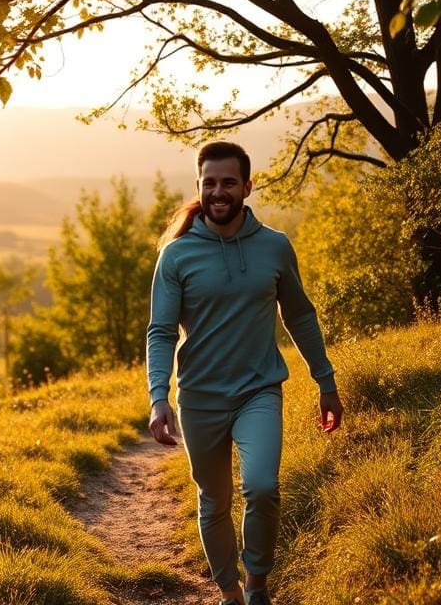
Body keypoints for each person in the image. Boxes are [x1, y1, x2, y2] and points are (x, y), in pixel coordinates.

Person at [146, 141, 343, 605]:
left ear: (247, 187)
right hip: (199, 397)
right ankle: (229, 592)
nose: (218, 191)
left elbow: (300, 315)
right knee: (214, 501)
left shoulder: (274, 247)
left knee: (262, 486)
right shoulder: (176, 256)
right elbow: (160, 331)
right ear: (199, 187)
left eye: (228, 182)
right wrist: (159, 397)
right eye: (209, 182)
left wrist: (326, 382)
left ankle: (257, 586)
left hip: (259, 390)